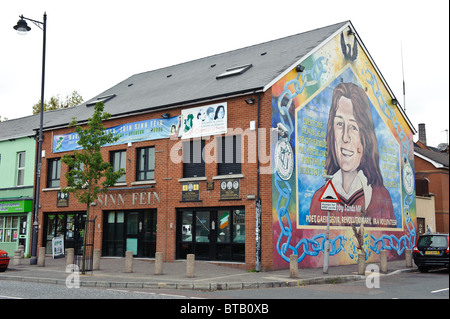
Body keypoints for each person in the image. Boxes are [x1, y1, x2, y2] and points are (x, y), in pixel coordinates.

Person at [309, 82, 395, 227]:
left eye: (354, 127)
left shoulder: (381, 197)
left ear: (365, 137)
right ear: (332, 132)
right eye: (340, 124)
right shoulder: (319, 198)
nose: (345, 137)